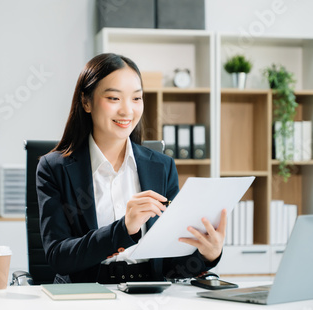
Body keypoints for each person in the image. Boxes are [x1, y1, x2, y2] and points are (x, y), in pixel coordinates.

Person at [36, 53, 226, 284]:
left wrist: (207, 255)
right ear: (86, 102)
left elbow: (170, 267)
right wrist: (124, 228)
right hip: (87, 296)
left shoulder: (162, 167)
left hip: (149, 292)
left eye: (136, 98)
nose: (127, 111)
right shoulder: (54, 168)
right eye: (114, 98)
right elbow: (58, 256)